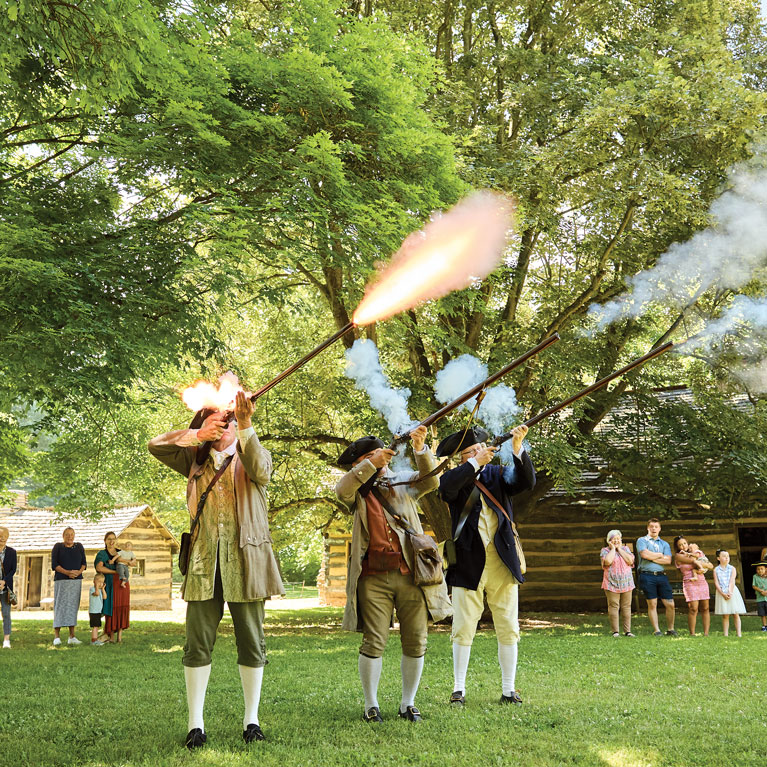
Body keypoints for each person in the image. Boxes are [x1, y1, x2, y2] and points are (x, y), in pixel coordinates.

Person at [148, 391, 284, 748]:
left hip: (247, 563)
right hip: (204, 563)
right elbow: (155, 445)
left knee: (253, 644)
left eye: (232, 421)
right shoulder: (193, 460)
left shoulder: (252, 452)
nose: (229, 425)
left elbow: (262, 472)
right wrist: (196, 435)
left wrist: (248, 425)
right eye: (224, 421)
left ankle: (251, 720)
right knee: (196, 646)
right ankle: (196, 724)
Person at [335, 426, 451, 723]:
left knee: (416, 641)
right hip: (373, 578)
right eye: (373, 458)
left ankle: (407, 703)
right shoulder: (356, 491)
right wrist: (371, 463)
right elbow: (342, 489)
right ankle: (371, 705)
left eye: (381, 457)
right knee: (373, 641)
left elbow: (431, 480)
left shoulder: (401, 483)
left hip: (412, 574)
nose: (383, 463)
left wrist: (421, 448)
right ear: (360, 463)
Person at [438, 425, 535, 707]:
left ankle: (509, 689)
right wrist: (473, 464)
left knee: (508, 625)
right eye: (469, 452)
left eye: (478, 448)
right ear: (461, 458)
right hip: (467, 562)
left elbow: (524, 482)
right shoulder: (454, 478)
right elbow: (446, 490)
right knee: (463, 626)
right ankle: (458, 688)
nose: (477, 453)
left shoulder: (497, 474)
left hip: (502, 561)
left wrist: (517, 447)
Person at [636, 518, 676, 636]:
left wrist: (651, 557)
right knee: (652, 604)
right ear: (648, 528)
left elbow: (668, 560)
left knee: (670, 604)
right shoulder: (642, 540)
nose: (654, 529)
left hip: (661, 576)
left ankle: (670, 629)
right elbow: (644, 554)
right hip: (647, 575)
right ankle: (657, 630)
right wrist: (659, 555)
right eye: (651, 526)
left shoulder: (664, 544)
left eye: (656, 526)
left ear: (660, 529)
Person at [51, 527, 86, 646]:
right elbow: (54, 564)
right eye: (67, 534)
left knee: (73, 607)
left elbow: (84, 564)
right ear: (63, 535)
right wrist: (67, 572)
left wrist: (77, 573)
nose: (70, 536)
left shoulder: (79, 546)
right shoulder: (58, 547)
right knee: (60, 606)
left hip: (76, 581)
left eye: (72, 534)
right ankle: (57, 636)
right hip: (62, 581)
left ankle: (72, 636)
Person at [95, 532, 131, 643]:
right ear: (105, 541)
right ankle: (110, 636)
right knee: (112, 608)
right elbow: (99, 568)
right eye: (109, 539)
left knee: (122, 608)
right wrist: (115, 571)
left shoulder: (121, 552)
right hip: (111, 584)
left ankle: (119, 638)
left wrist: (129, 562)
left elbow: (131, 562)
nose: (112, 541)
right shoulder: (102, 554)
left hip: (123, 583)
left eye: (114, 539)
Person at [672, 536, 712, 636]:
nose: (683, 546)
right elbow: (694, 561)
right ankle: (692, 633)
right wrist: (698, 561)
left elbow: (710, 565)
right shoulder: (678, 556)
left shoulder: (696, 553)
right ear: (678, 547)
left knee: (706, 608)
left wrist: (701, 562)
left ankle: (706, 633)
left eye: (684, 543)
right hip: (689, 582)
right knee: (693, 608)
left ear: (687, 543)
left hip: (702, 581)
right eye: (680, 545)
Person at [600, 530, 635, 637]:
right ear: (609, 541)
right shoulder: (605, 550)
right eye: (613, 539)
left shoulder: (626, 549)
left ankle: (627, 631)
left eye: (618, 539)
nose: (616, 541)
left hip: (627, 583)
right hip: (611, 583)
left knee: (626, 606)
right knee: (614, 606)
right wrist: (613, 549)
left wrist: (619, 549)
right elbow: (608, 562)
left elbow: (630, 561)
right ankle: (615, 631)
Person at [713, 549, 746, 637]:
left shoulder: (732, 568)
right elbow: (716, 583)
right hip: (721, 592)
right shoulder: (716, 570)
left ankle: (739, 633)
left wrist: (730, 592)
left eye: (728, 556)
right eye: (724, 556)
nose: (726, 558)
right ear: (718, 558)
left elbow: (732, 581)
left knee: (735, 613)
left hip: (732, 591)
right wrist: (722, 593)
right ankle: (726, 634)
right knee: (725, 614)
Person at [0, 526, 16, 649]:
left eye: (5, 536)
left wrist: (4, 582)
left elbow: (13, 569)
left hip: (6, 588)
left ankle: (6, 640)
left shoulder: (12, 552)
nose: (2, 538)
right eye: (0, 536)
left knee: (6, 613)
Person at [89, 573, 107, 645]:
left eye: (102, 582)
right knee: (95, 627)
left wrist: (103, 589)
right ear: (94, 582)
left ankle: (95, 640)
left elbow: (105, 597)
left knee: (97, 626)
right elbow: (96, 593)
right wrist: (96, 586)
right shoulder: (92, 589)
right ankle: (94, 641)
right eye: (99, 582)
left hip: (98, 611)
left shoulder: (100, 590)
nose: (100, 584)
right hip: (94, 611)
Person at [752, 562, 767, 632]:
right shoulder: (755, 576)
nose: (760, 570)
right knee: (762, 613)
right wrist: (761, 591)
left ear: (765, 569)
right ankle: (764, 626)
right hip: (760, 599)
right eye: (758, 569)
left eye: (762, 569)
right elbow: (754, 586)